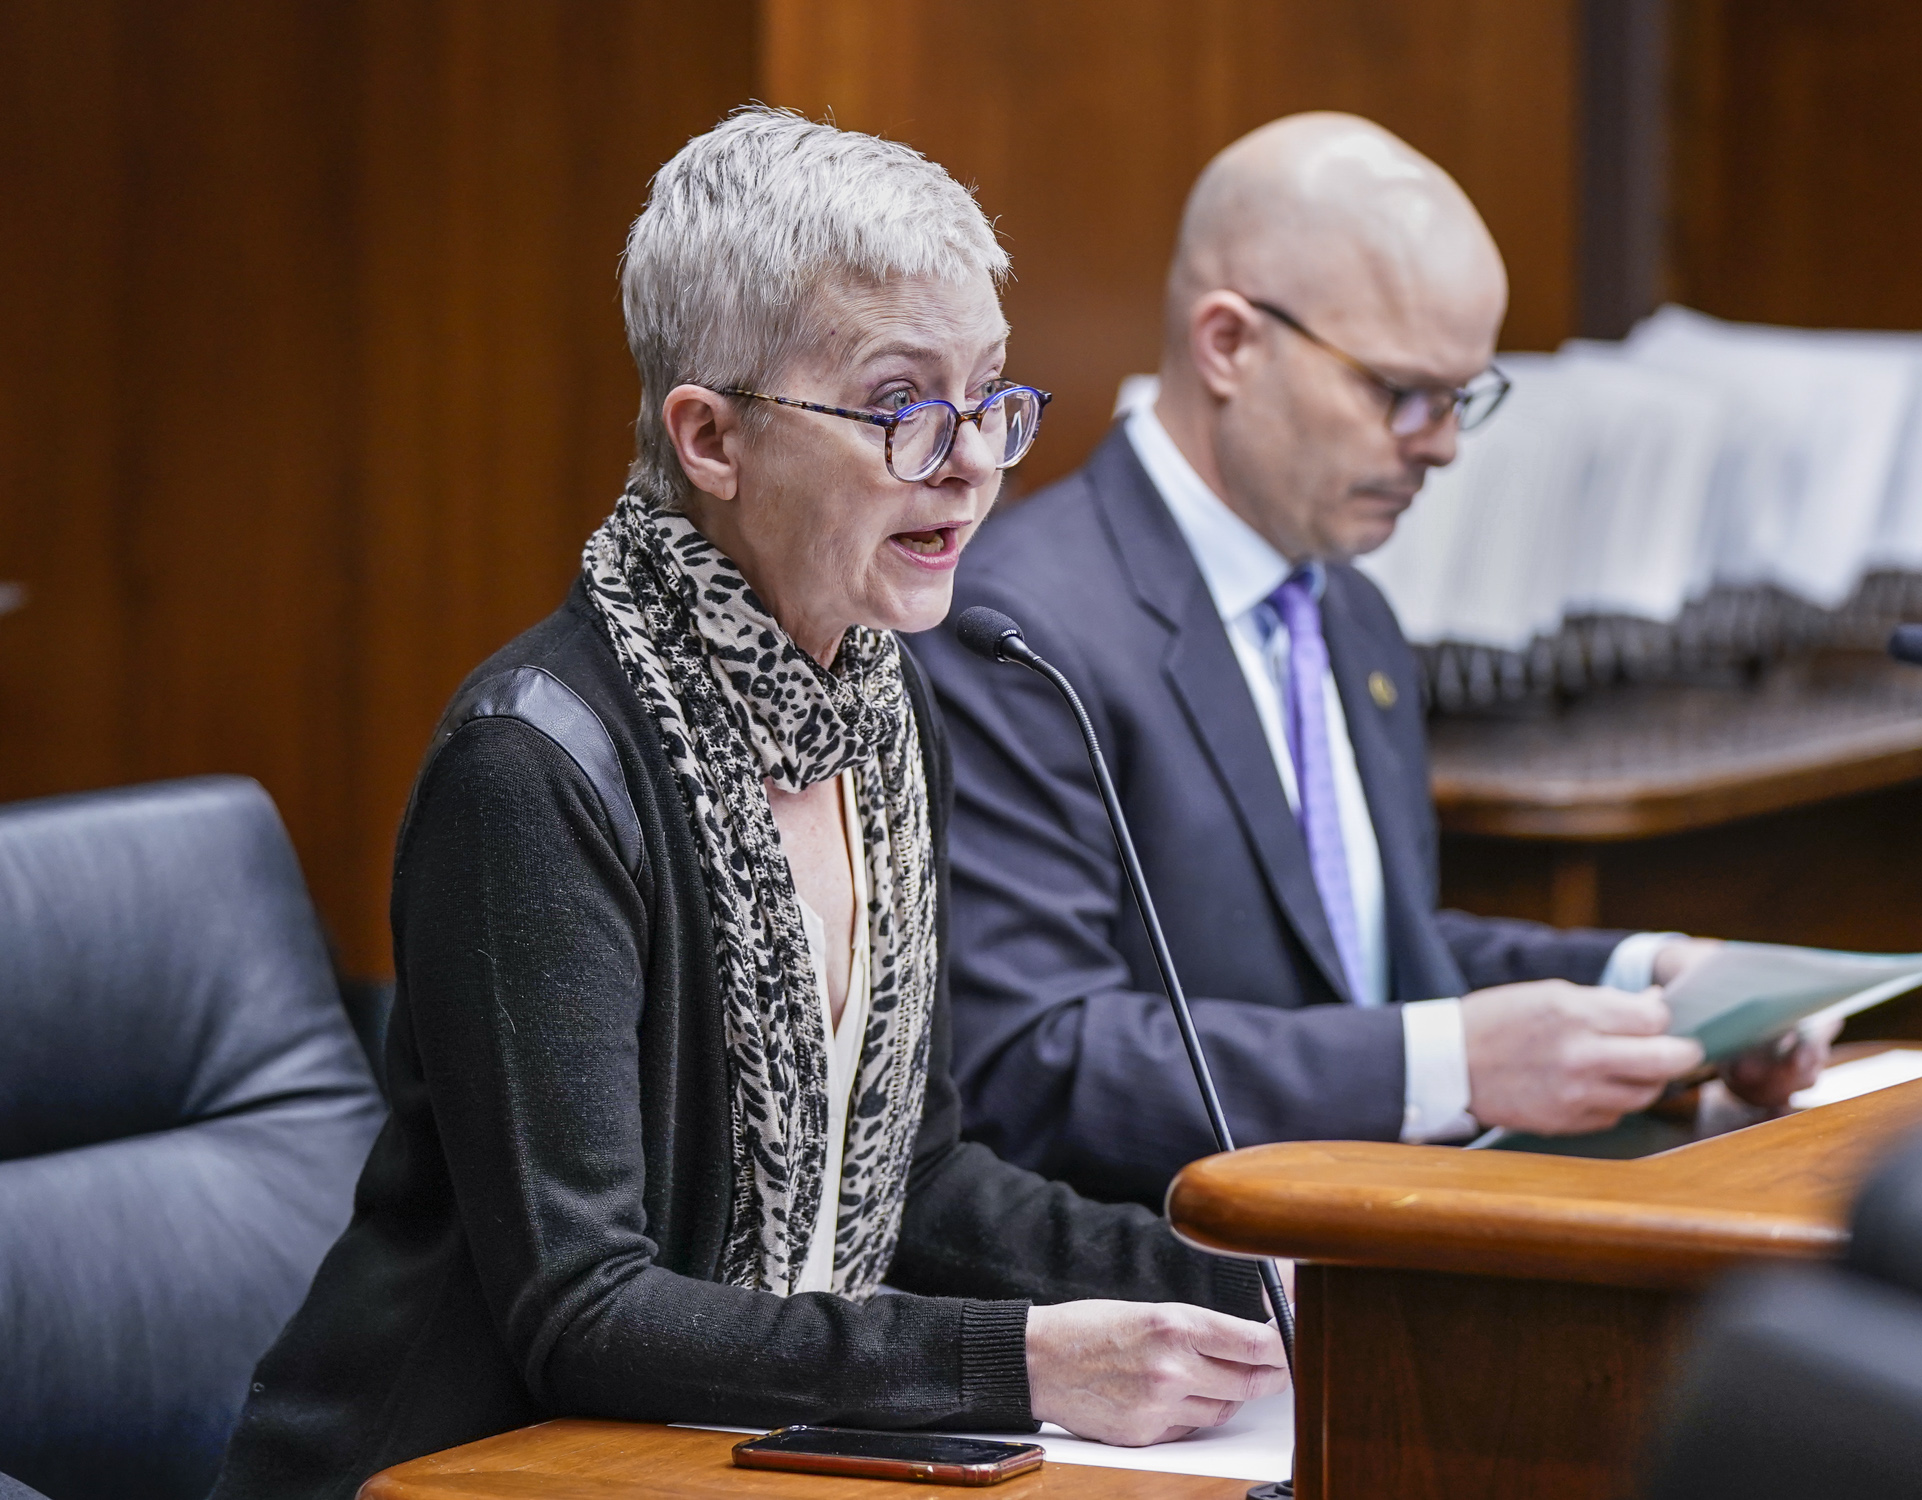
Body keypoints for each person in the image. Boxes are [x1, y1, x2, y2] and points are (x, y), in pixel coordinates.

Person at [208, 109, 1287, 1500]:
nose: (968, 460)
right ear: (711, 439)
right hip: (458, 1470)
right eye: (903, 404)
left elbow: (926, 1180)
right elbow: (584, 1311)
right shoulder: (531, 768)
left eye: (991, 396)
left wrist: (1271, 1282)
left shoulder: (887, 714)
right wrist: (1019, 1360)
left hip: (723, 1461)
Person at [912, 113, 1832, 1209]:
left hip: (1380, 1248)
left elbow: (1368, 957)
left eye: (1460, 397)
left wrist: (1654, 985)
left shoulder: (1345, 608)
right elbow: (1037, 1057)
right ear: (1229, 345)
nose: (1441, 443)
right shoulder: (1020, 626)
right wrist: (1454, 1065)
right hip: (1191, 1297)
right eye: (1399, 391)